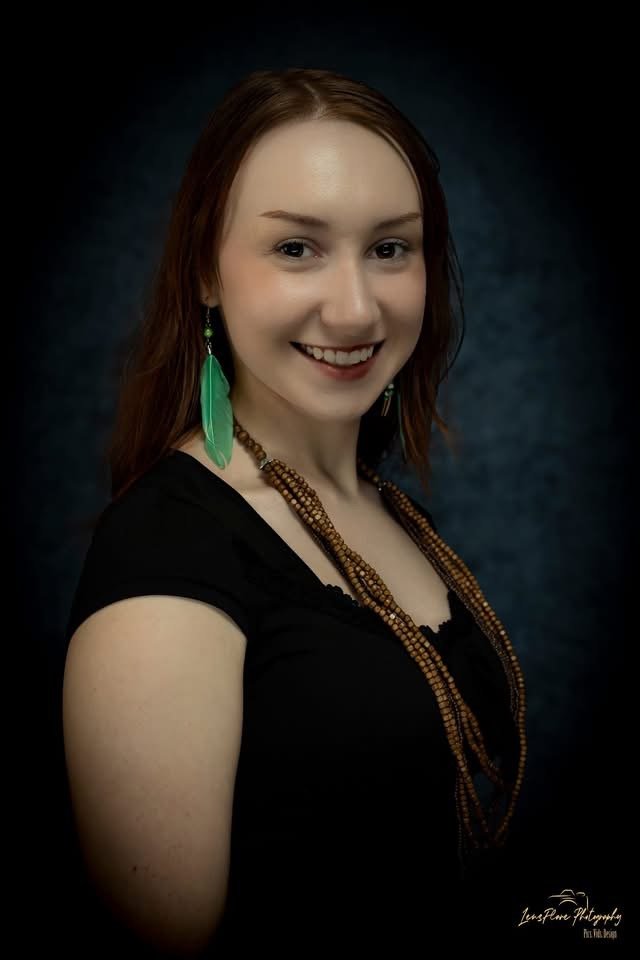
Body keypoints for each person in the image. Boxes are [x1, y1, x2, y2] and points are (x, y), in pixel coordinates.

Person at [62, 67, 527, 956]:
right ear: (205, 268)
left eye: (391, 248)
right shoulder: (169, 559)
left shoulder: (383, 509)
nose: (355, 308)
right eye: (296, 249)